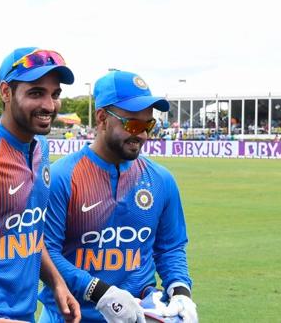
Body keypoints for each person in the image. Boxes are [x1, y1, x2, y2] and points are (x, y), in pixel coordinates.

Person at [39, 70, 197, 323]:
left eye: (148, 125)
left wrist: (180, 291)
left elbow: (171, 248)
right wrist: (100, 292)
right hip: (69, 317)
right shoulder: (61, 177)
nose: (142, 135)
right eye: (132, 124)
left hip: (137, 316)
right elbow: (45, 252)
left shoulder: (161, 179)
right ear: (102, 118)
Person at [0, 47, 81, 322]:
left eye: (55, 94)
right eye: (36, 93)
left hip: (25, 314)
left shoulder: (42, 148)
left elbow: (30, 231)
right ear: (6, 93)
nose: (49, 105)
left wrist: (56, 282)